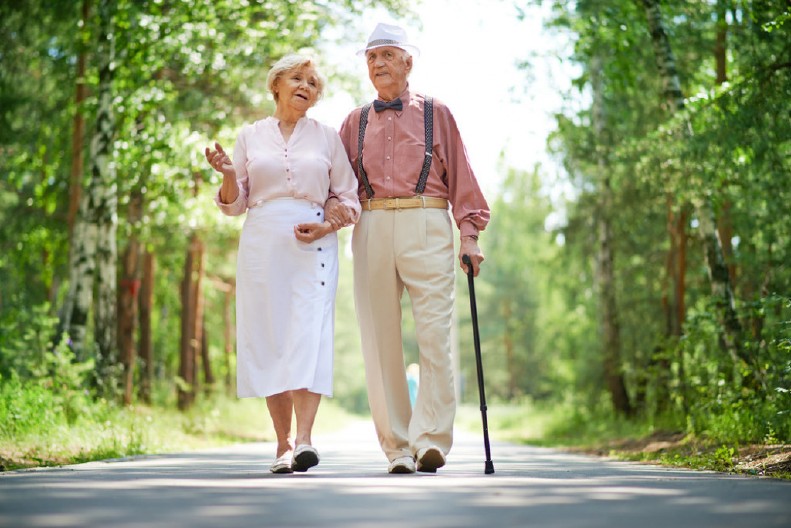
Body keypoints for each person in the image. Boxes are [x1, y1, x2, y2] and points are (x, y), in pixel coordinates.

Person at [327, 22, 490, 474]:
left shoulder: (438, 113)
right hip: (372, 223)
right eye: (371, 57)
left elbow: (462, 177)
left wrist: (470, 235)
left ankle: (431, 439)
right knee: (379, 338)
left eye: (387, 55)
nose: (378, 63)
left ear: (408, 62)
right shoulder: (354, 121)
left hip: (427, 220)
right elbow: (337, 184)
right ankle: (397, 446)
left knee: (435, 334)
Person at [205, 54, 361, 474]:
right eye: (297, 78)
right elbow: (234, 204)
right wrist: (227, 174)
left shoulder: (327, 138)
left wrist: (328, 225)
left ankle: (305, 440)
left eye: (313, 83)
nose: (306, 86)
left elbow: (349, 197)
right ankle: (282, 445)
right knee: (270, 337)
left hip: (313, 242)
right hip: (262, 243)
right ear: (276, 84)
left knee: (309, 335)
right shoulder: (250, 136)